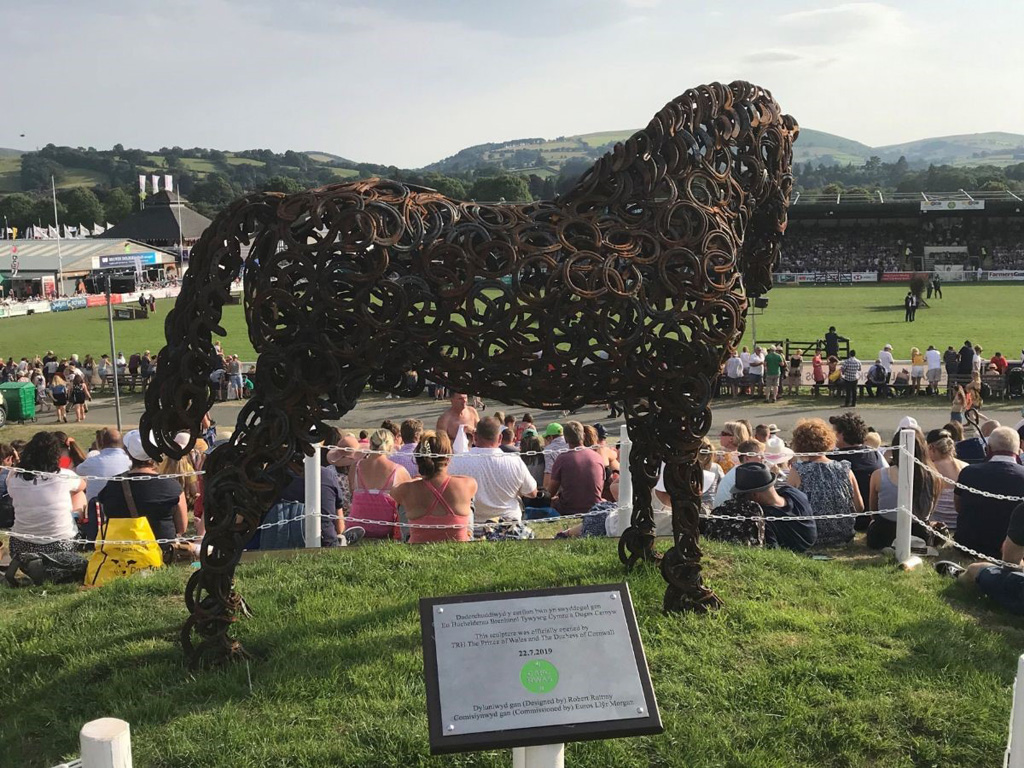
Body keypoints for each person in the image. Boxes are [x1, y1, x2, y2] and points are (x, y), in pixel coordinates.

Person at [5, 432, 87, 583]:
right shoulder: (65, 475)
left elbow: (11, 494)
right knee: (78, 492)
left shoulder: (13, 476)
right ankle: (49, 567)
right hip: (61, 543)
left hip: (21, 545)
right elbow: (82, 485)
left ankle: (36, 564)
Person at [97, 430, 187, 564]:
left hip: (121, 555)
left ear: (128, 453)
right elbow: (182, 528)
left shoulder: (113, 484)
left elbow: (107, 517)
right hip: (162, 555)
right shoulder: (172, 486)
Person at [786, 419, 863, 546]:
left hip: (811, 536)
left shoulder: (798, 471)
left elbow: (787, 507)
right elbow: (859, 507)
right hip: (843, 535)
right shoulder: (845, 469)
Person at [392, 431, 475, 544]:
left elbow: (394, 491)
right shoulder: (468, 483)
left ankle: (407, 539)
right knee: (470, 500)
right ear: (448, 458)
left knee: (403, 502)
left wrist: (416, 480)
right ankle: (469, 535)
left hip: (418, 544)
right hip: (459, 543)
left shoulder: (407, 489)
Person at [450, 417, 536, 524]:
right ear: (500, 438)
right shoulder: (514, 461)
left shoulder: (457, 461)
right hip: (508, 524)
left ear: (475, 436)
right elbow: (532, 492)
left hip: (472, 524)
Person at [954, 427, 1024, 559]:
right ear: (1019, 447)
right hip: (1012, 548)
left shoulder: (968, 472)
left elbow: (958, 506)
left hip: (969, 545)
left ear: (988, 449)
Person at [866, 431, 937, 550]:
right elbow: (930, 510)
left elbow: (874, 511)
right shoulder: (934, 477)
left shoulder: (878, 475)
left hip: (884, 534)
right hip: (919, 533)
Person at [731, 462, 817, 552]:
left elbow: (772, 550)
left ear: (755, 495)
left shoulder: (763, 519)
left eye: (742, 495)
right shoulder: (795, 494)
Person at [347, 428, 412, 540]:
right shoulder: (399, 471)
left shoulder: (356, 467)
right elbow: (408, 501)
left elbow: (352, 492)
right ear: (391, 446)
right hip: (386, 530)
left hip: (356, 529)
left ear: (370, 444)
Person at [546, 421, 605, 516]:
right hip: (594, 507)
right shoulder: (597, 457)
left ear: (566, 439)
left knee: (552, 501)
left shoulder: (562, 458)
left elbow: (551, 492)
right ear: (583, 436)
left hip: (568, 509)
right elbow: (600, 486)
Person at [925, 429, 968, 533]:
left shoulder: (928, 469)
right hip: (959, 522)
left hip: (936, 524)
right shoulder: (966, 467)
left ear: (931, 448)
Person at [75, 428, 131, 502]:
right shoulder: (129, 461)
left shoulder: (91, 461)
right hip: (123, 505)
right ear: (122, 443)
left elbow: (77, 471)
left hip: (96, 506)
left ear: (102, 443)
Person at [713, 439, 765, 506]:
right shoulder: (744, 474)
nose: (763, 458)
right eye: (760, 455)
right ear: (747, 458)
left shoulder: (738, 470)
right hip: (728, 510)